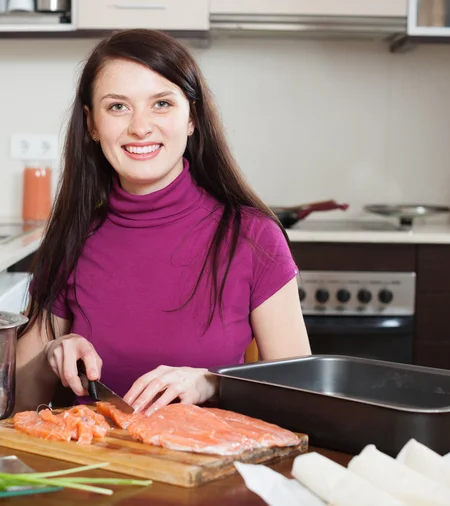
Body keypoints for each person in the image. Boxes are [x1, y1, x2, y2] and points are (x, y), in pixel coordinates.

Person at [15, 28, 311, 416]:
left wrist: (212, 383)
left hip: (210, 471)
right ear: (91, 125)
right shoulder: (74, 236)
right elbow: (17, 402)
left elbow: (300, 396)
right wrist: (53, 351)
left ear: (191, 118)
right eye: (118, 107)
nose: (140, 126)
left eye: (162, 104)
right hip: (97, 469)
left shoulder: (253, 237)